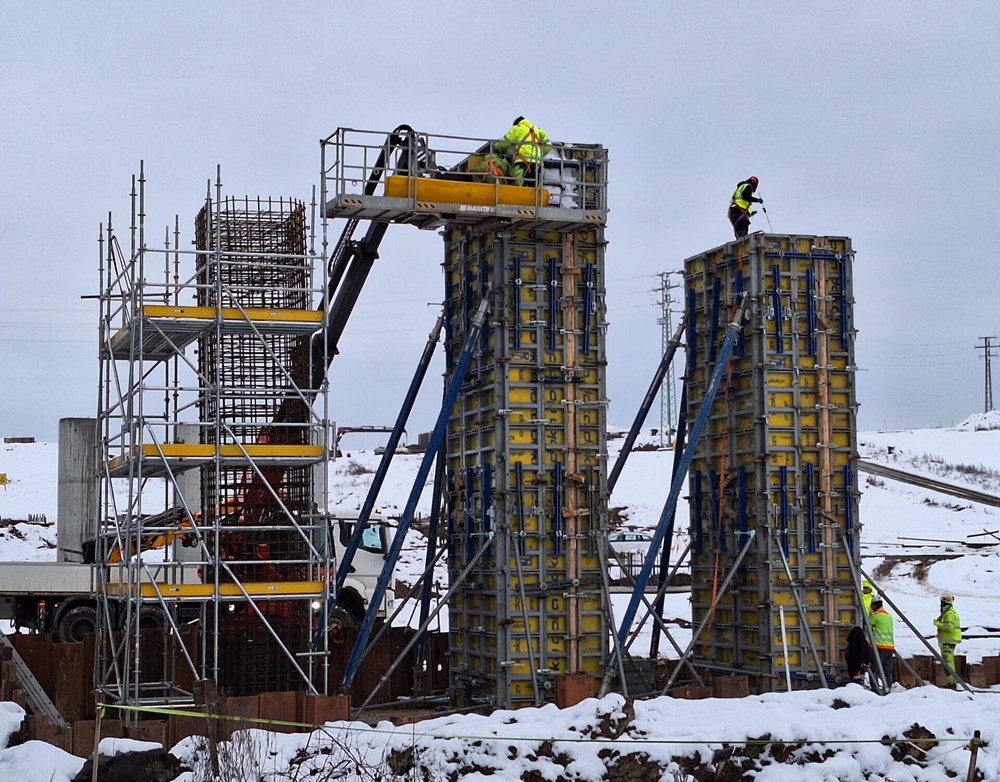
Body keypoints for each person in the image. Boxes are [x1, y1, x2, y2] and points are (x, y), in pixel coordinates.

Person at [495, 117, 552, 186]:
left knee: (518, 187)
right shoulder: (538, 130)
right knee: (536, 191)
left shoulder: (517, 128)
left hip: (521, 163)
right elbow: (548, 146)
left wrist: (497, 146)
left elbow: (505, 142)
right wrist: (540, 155)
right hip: (537, 164)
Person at [933, 594, 962, 688]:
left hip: (948, 640)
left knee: (948, 662)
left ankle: (951, 683)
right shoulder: (948, 612)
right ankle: (952, 681)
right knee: (949, 662)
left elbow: (949, 627)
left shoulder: (949, 614)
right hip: (948, 640)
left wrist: (938, 624)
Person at [869, 599, 895, 691]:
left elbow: (867, 625)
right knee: (887, 670)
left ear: (874, 606)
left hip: (879, 647)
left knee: (874, 669)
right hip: (890, 647)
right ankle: (888, 687)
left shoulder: (875, 616)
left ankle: (875, 689)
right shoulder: (889, 616)